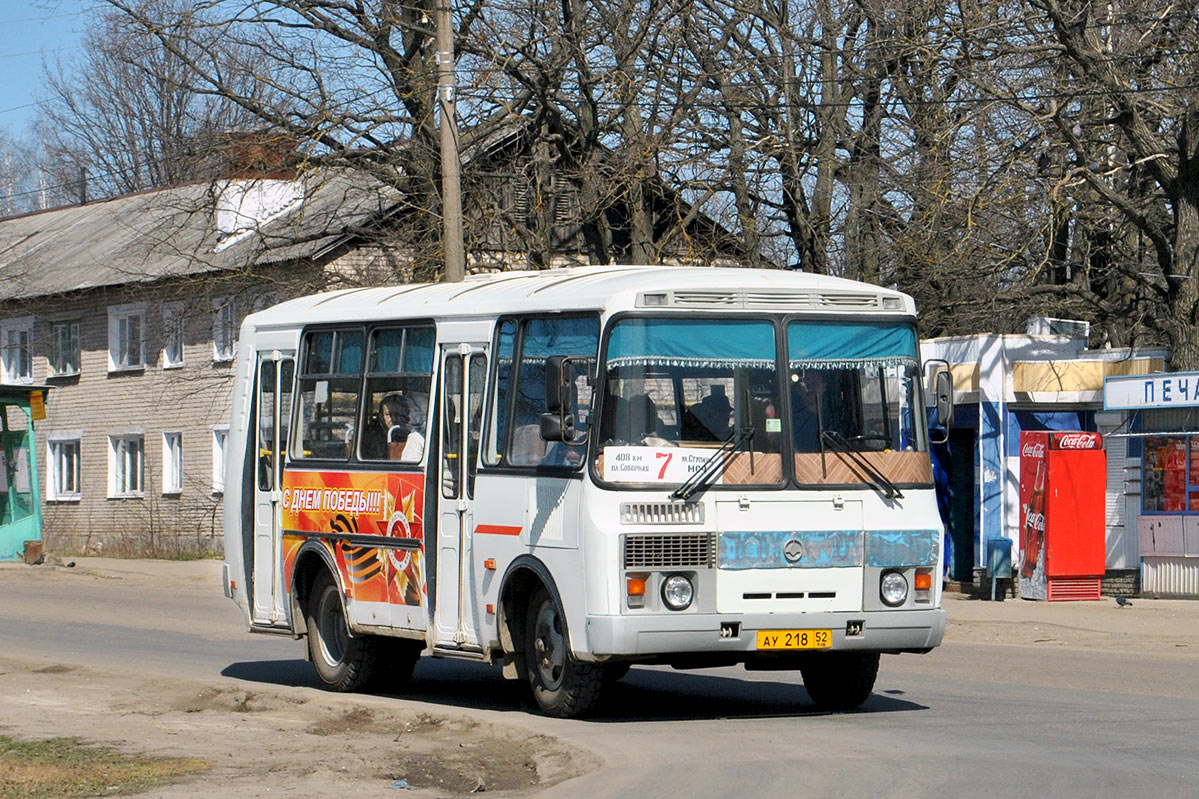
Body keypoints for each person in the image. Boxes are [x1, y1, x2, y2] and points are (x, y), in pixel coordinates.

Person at [363, 393, 425, 461]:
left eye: (397, 414)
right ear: (381, 416)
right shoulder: (371, 437)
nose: (393, 419)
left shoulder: (415, 435)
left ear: (406, 414)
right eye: (388, 415)